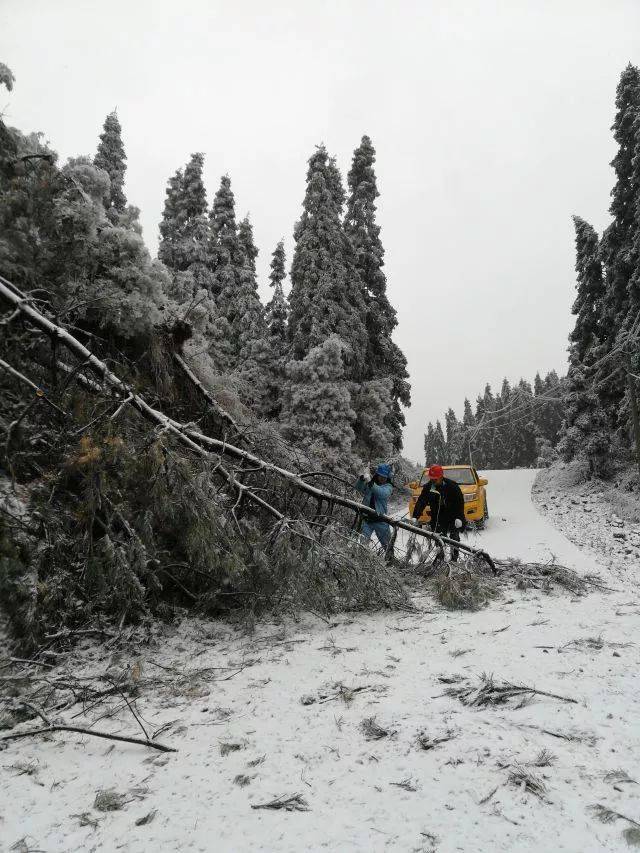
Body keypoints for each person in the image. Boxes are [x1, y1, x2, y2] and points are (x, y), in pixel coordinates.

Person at [412, 464, 465, 561]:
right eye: (431, 478)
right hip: (438, 517)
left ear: (441, 477)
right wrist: (416, 515)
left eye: (435, 479)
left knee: (454, 539)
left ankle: (454, 559)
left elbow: (460, 503)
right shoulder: (428, 487)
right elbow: (421, 501)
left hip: (452, 516)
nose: (433, 481)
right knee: (438, 539)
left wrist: (459, 518)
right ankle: (440, 559)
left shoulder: (452, 486)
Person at [354, 463, 394, 555]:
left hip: (381, 520)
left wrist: (369, 481)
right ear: (377, 474)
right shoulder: (371, 482)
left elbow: (381, 493)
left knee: (387, 546)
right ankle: (362, 561)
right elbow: (359, 488)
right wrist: (362, 478)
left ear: (387, 476)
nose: (382, 478)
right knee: (363, 546)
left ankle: (391, 561)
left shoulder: (388, 486)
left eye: (384, 477)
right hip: (367, 520)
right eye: (381, 476)